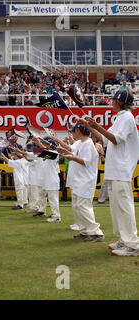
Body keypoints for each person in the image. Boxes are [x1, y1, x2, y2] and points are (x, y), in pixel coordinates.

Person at [79, 90, 139, 256]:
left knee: (124, 207)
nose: (111, 102)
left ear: (118, 102)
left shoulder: (127, 117)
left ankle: (133, 245)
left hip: (121, 169)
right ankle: (124, 239)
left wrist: (96, 126)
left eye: (113, 100)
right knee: (116, 208)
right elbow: (105, 139)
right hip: (114, 170)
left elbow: (116, 139)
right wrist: (89, 127)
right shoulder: (120, 117)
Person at [52, 125, 104, 242]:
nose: (72, 134)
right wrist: (60, 144)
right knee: (76, 206)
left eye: (73, 131)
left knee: (83, 206)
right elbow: (71, 149)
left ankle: (96, 232)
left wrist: (71, 157)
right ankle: (85, 230)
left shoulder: (88, 144)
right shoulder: (80, 143)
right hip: (78, 180)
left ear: (78, 131)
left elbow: (85, 161)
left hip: (85, 180)